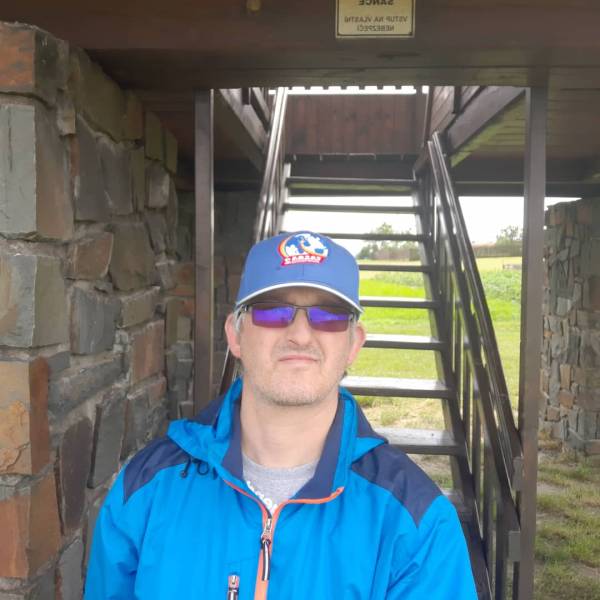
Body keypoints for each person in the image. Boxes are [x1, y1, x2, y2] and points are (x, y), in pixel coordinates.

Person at [85, 231, 477, 599]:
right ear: (235, 335)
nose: (300, 335)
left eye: (329, 315)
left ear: (353, 344)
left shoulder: (415, 521)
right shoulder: (145, 489)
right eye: (273, 312)